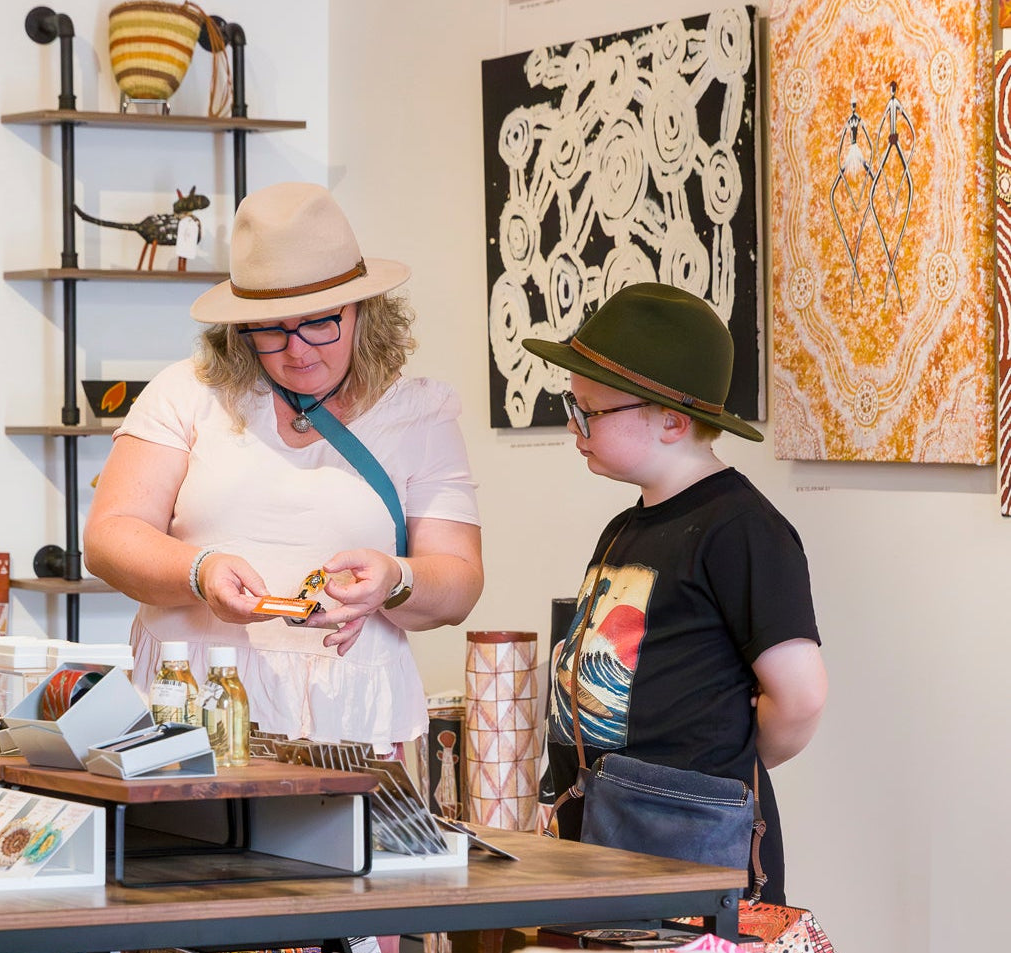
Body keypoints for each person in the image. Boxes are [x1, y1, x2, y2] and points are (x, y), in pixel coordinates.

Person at [83, 182, 484, 753]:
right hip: (188, 706)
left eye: (320, 322)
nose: (297, 350)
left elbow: (461, 581)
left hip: (350, 719)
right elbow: (108, 537)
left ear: (364, 311)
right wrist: (199, 572)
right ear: (238, 328)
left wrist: (395, 581)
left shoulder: (418, 414)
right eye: (270, 328)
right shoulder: (187, 393)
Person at [522, 283, 827, 905]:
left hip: (691, 838)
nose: (574, 427)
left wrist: (715, 767)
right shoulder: (626, 527)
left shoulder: (742, 529)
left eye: (590, 412)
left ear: (672, 420)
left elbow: (799, 698)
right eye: (572, 406)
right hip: (608, 824)